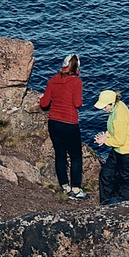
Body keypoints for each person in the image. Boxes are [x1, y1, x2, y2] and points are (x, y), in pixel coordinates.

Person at [37, 54, 86, 200]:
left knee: (60, 154)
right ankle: (76, 189)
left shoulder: (53, 79)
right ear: (76, 68)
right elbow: (77, 104)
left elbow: (44, 103)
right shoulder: (76, 82)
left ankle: (65, 187)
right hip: (70, 123)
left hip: (54, 122)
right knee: (76, 156)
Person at [90, 86, 129, 205]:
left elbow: (120, 140)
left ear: (112, 103)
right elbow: (114, 131)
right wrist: (106, 135)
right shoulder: (119, 105)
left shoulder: (118, 117)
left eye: (105, 106)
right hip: (117, 151)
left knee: (126, 182)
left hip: (126, 152)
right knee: (106, 175)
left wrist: (105, 141)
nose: (103, 109)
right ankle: (106, 203)